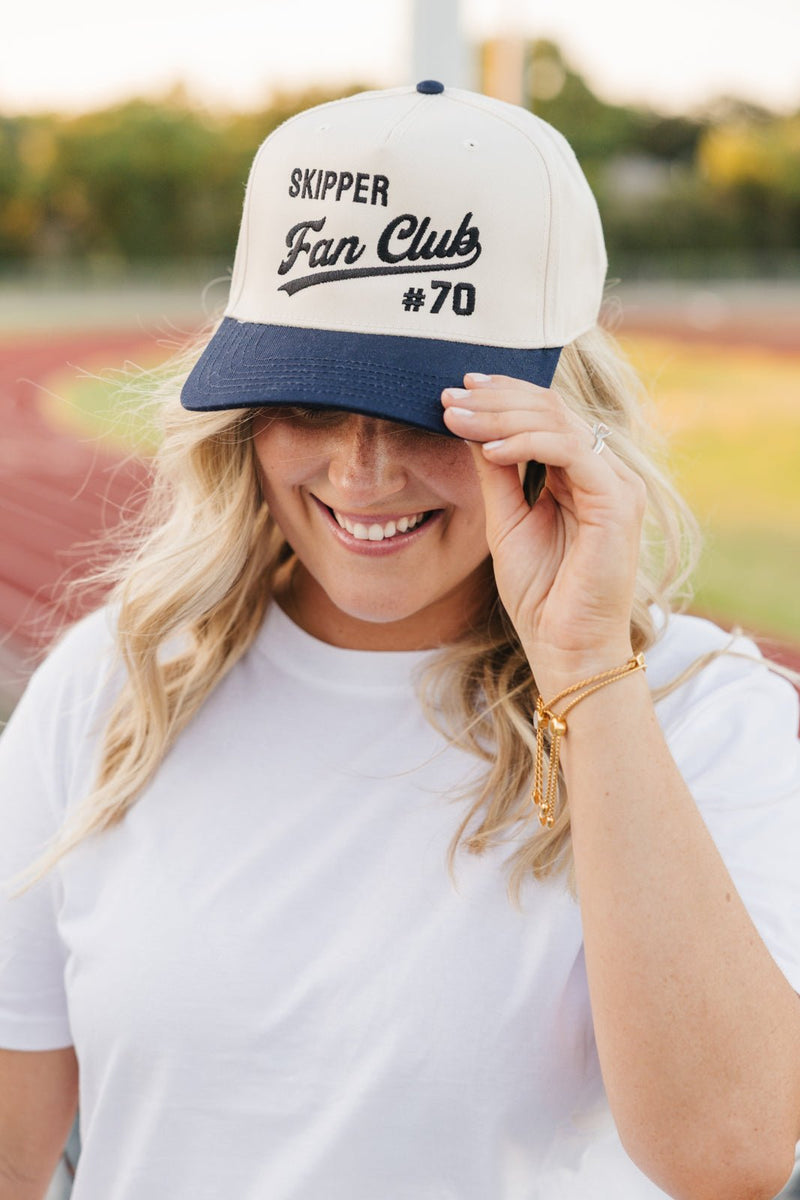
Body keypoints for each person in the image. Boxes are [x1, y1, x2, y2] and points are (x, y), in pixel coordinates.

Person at [0, 80, 798, 1200]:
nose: (360, 473)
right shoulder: (115, 686)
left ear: (553, 408)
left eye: (429, 413)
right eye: (309, 402)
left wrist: (582, 671)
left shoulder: (702, 714)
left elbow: (729, 1153)